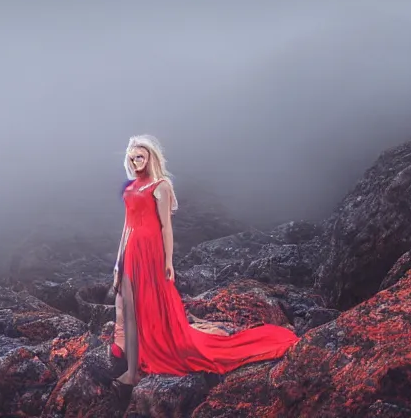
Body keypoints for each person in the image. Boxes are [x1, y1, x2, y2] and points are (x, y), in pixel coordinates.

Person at [109, 134, 299, 394]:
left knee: (152, 304)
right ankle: (131, 371)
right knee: (130, 309)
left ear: (150, 157)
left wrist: (168, 261)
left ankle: (139, 366)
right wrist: (118, 264)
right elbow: (126, 227)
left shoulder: (161, 186)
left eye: (140, 156)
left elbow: (166, 228)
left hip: (151, 252)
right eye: (132, 157)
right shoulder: (130, 188)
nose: (135, 161)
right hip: (131, 251)